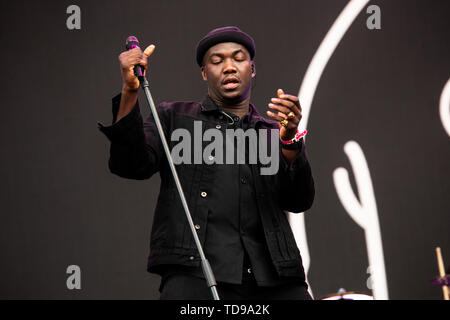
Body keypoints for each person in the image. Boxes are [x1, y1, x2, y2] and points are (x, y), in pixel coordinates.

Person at [98, 26, 315, 300]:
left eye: (238, 58)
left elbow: (299, 200)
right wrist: (130, 91)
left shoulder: (272, 132)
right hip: (196, 274)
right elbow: (129, 165)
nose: (228, 67)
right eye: (216, 61)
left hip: (275, 278)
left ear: (252, 69)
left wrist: (290, 141)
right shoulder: (173, 118)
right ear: (204, 73)